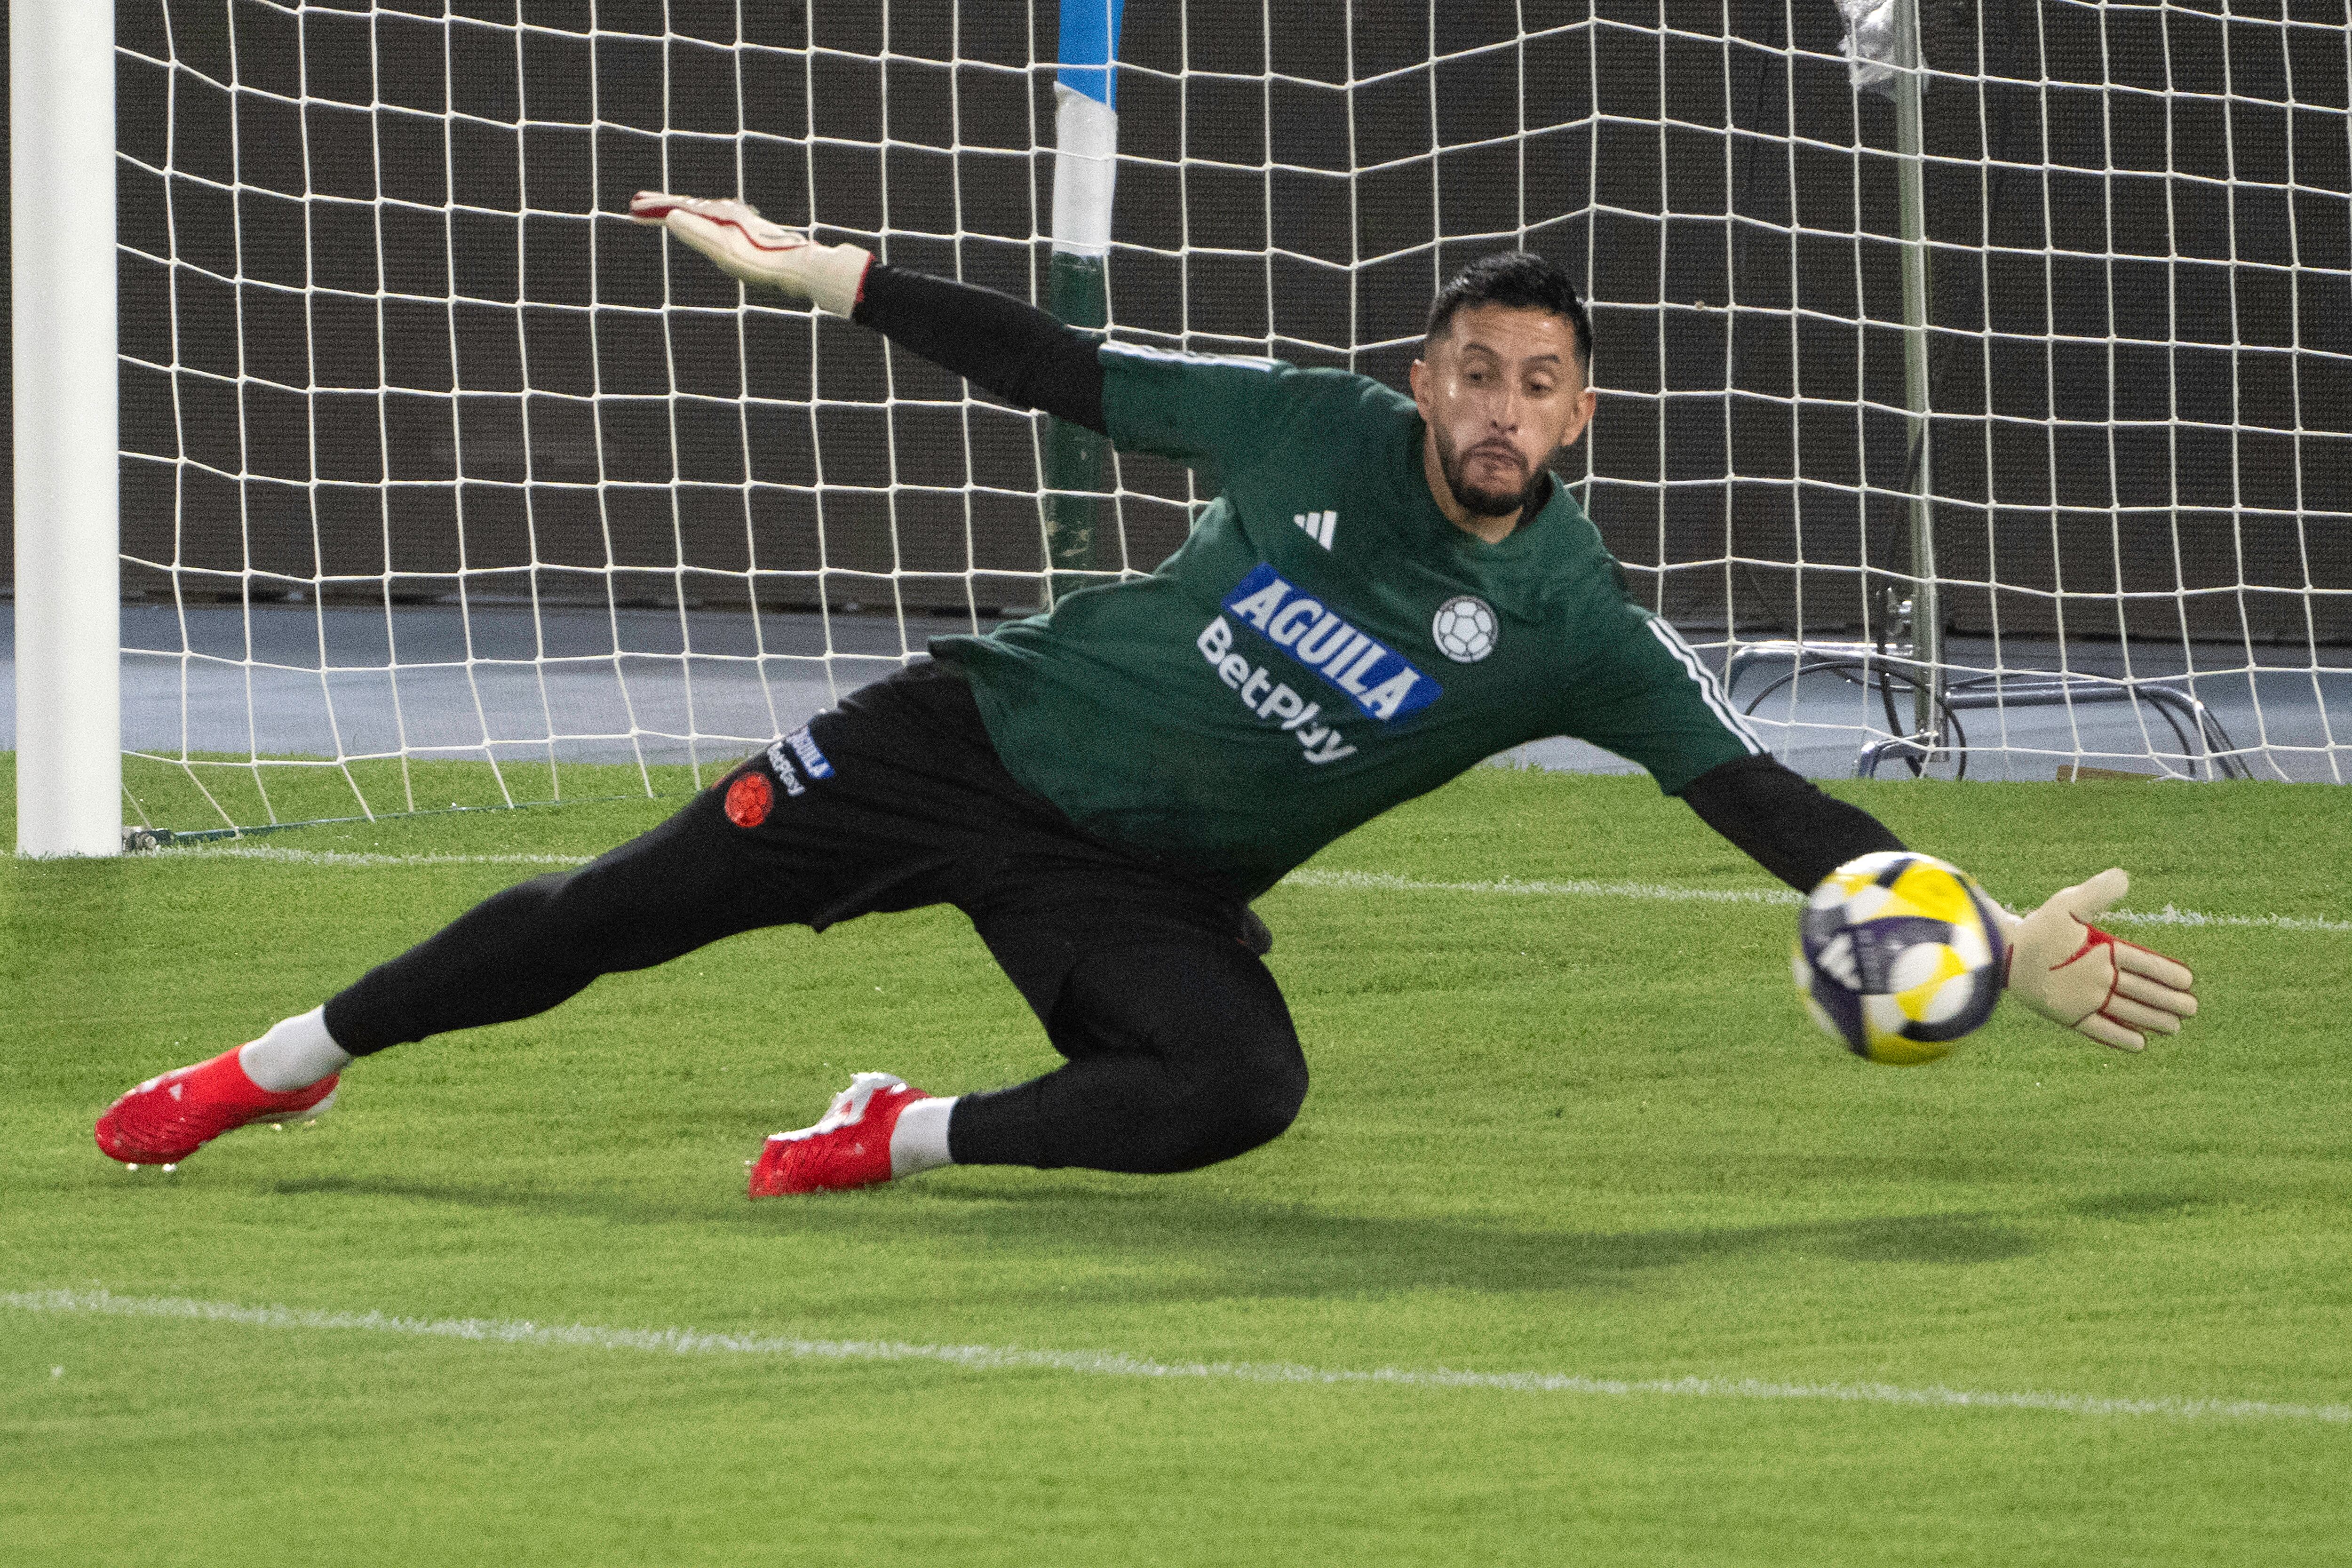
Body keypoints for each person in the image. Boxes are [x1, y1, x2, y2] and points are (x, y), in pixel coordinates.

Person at [93, 195, 2199, 1193]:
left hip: (1141, 888)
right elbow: (1060, 372)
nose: (1495, 406)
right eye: (1468, 369)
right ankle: (276, 1063)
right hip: (961, 744)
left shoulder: (1576, 629)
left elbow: (1762, 808)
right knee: (602, 918)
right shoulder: (1301, 430)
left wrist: (1988, 936)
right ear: (1423, 384)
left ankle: (895, 1134)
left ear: (1575, 419)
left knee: (1237, 1100)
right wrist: (820, 275)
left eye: (1535, 384)